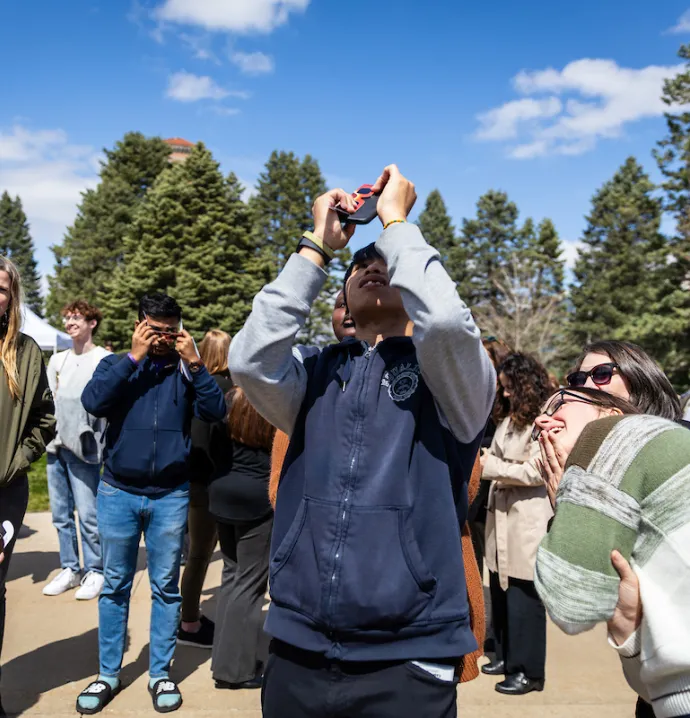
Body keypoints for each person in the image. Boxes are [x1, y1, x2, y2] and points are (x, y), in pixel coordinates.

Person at [229, 165, 496, 718]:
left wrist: (396, 223)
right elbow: (250, 360)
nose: (372, 266)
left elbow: (446, 323)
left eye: (385, 263)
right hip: (298, 647)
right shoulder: (312, 376)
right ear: (343, 302)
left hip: (410, 656)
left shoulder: (453, 384)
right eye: (358, 267)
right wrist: (316, 248)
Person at [75, 293, 226, 715]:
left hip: (171, 495)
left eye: (170, 329)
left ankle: (159, 674)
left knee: (165, 588)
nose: (162, 337)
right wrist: (133, 358)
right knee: (116, 586)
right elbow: (94, 403)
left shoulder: (185, 370)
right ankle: (108, 674)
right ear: (139, 324)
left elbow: (215, 411)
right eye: (154, 329)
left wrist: (195, 362)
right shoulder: (116, 365)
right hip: (118, 491)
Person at [532, 387, 690, 718]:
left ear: (610, 414)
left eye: (562, 400)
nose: (542, 419)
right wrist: (628, 636)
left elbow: (569, 605)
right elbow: (653, 684)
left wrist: (575, 502)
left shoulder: (616, 439)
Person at [0, 256, 55, 718]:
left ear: (11, 296)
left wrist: (17, 460)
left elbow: (44, 418)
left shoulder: (27, 352)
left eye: (0, 288)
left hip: (4, 494)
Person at [479, 353, 553, 695]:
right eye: (503, 388)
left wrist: (491, 467)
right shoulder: (508, 421)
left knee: (525, 597)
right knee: (501, 589)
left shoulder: (544, 421)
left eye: (510, 388)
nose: (505, 394)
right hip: (500, 517)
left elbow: (537, 471)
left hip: (526, 519)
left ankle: (529, 671)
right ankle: (507, 658)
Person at [208, 386, 275, 689]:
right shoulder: (272, 402)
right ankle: (234, 670)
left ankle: (223, 657)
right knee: (249, 586)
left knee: (232, 577)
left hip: (224, 494)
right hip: (256, 501)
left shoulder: (228, 399)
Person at [43, 300, 111, 600]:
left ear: (91, 323)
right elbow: (49, 401)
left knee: (88, 513)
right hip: (55, 445)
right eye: (67, 318)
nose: (70, 322)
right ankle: (70, 568)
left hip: (84, 448)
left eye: (76, 318)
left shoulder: (103, 358)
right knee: (60, 514)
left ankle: (95, 570)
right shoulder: (58, 360)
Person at [177, 329, 232, 649]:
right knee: (210, 556)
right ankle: (190, 622)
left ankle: (186, 615)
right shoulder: (229, 390)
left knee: (192, 555)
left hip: (187, 481)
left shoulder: (189, 388)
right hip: (215, 483)